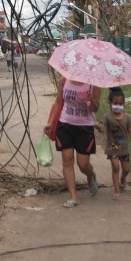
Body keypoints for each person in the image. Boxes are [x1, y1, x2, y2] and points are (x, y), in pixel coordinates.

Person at [44, 75, 101, 208]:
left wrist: (91, 100)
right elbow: (58, 102)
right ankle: (73, 197)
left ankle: (90, 175)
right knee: (67, 160)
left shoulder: (93, 84)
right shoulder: (64, 81)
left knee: (83, 164)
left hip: (85, 128)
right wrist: (51, 123)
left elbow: (96, 108)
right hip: (65, 125)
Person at [103, 87, 131, 200]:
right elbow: (102, 128)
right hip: (113, 146)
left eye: (120, 103)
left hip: (124, 147)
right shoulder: (107, 117)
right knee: (115, 167)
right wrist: (96, 126)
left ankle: (123, 179)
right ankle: (117, 190)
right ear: (110, 103)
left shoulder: (127, 117)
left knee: (126, 169)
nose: (117, 106)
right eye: (115, 103)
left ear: (123, 103)